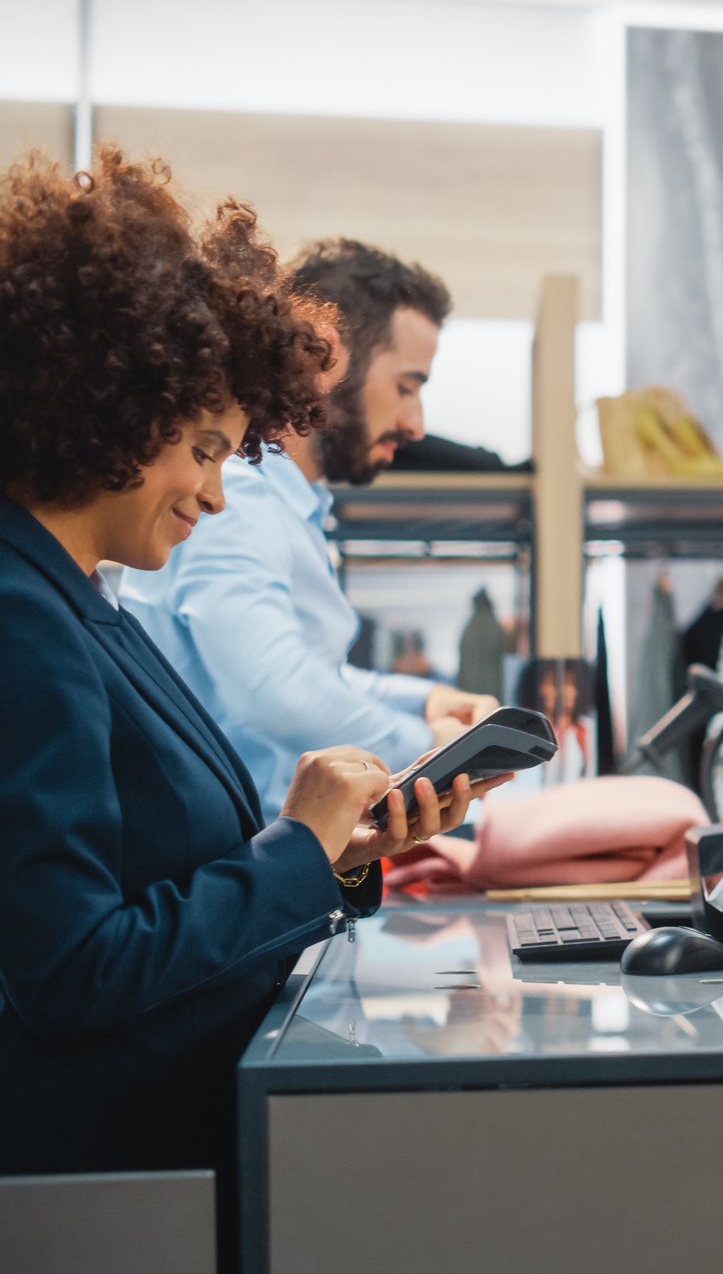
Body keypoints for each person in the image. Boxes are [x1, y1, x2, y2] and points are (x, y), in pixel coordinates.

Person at [0, 148, 508, 1184]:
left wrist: (338, 850)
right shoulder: (21, 618)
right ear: (111, 408)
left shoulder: (77, 597)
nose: (218, 495)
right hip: (124, 1168)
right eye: (202, 446)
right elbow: (76, 973)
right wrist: (296, 849)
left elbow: (165, 877)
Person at [122, 237, 498, 814]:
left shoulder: (288, 503)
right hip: (225, 863)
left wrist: (426, 702)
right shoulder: (241, 493)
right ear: (330, 356)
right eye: (406, 386)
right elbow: (272, 688)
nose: (416, 424)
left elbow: (316, 674)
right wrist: (429, 750)